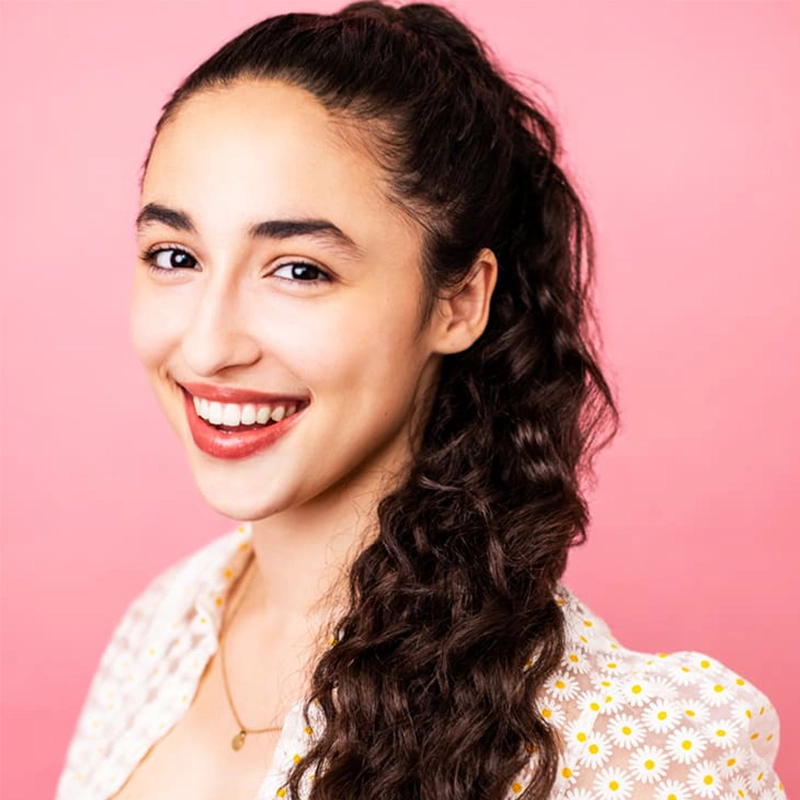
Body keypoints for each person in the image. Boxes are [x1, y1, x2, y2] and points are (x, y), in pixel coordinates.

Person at [55, 2, 784, 799]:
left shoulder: (634, 753)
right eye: (174, 255)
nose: (206, 346)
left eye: (299, 269)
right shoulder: (164, 627)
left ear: (456, 303)